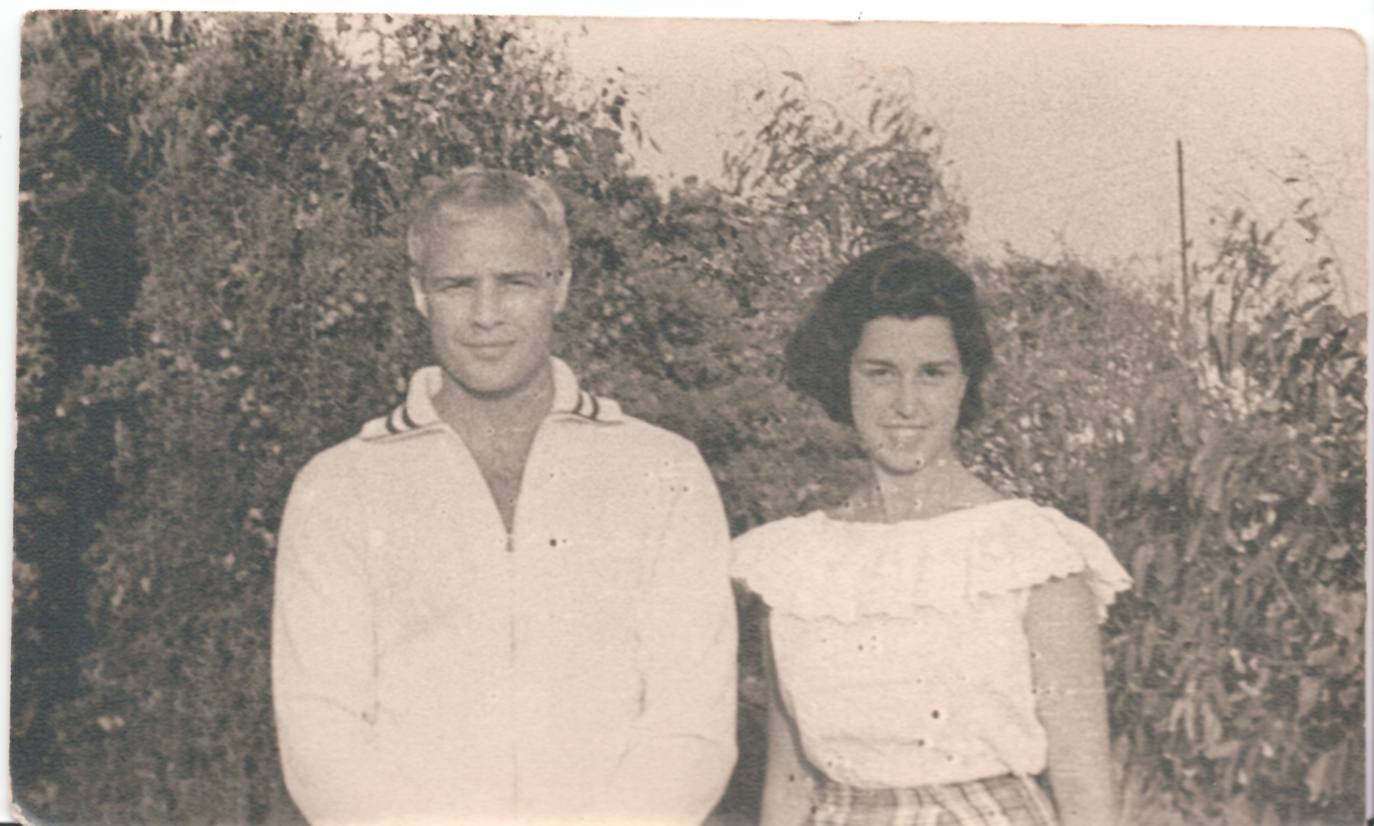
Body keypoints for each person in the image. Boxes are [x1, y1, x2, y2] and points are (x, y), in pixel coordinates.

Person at [272, 168, 738, 825]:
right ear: (419, 292)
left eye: (515, 282)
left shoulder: (664, 471)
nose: (486, 315)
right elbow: (322, 734)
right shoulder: (338, 487)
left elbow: (691, 722)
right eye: (457, 284)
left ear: (560, 285)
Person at [732, 244, 1131, 826]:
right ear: (843, 377)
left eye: (933, 374)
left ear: (965, 382)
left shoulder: (1031, 552)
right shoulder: (796, 566)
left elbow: (1084, 784)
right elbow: (789, 785)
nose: (906, 404)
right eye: (880, 373)